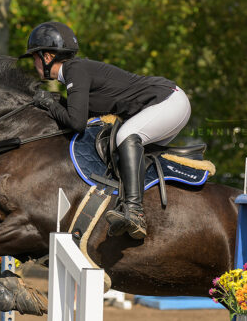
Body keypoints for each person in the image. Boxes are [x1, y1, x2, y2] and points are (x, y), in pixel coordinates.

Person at [21, 21, 191, 240]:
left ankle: (134, 212)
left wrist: (49, 103)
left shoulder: (74, 70)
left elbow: (76, 123)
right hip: (168, 104)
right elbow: (85, 118)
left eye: (35, 56)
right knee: (124, 152)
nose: (33, 63)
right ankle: (134, 206)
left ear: (46, 57)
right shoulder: (76, 74)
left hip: (167, 101)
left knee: (126, 136)